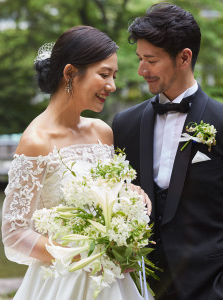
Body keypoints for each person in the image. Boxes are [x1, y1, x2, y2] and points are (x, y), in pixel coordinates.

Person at [1, 25, 153, 300]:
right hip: (63, 283)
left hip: (114, 280)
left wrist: (130, 199)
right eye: (104, 74)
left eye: (114, 76)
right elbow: (15, 233)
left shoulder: (102, 132)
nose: (112, 85)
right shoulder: (37, 141)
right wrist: (77, 255)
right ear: (70, 73)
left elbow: (110, 196)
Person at [112, 3, 223, 300]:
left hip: (210, 286)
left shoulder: (222, 121)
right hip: (142, 286)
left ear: (184, 57)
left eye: (151, 60)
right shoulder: (124, 124)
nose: (141, 70)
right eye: (139, 59)